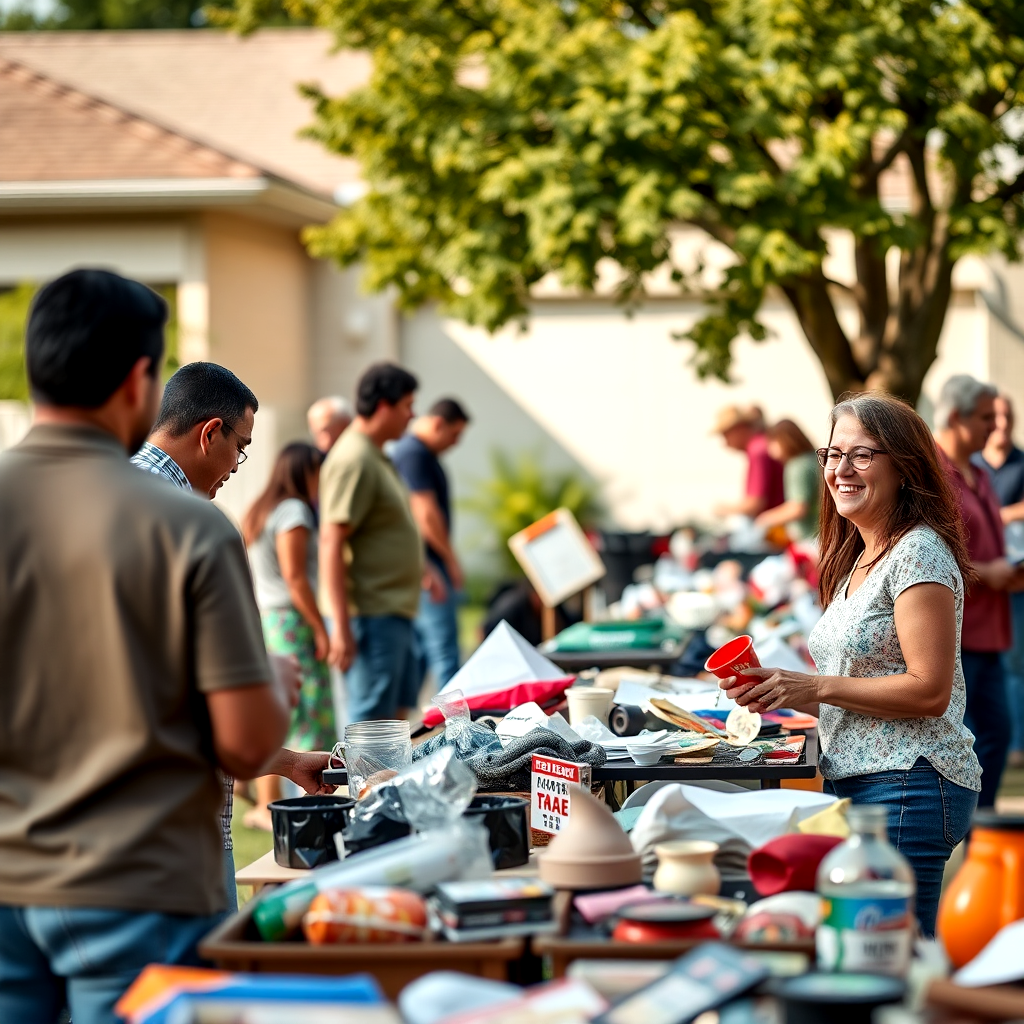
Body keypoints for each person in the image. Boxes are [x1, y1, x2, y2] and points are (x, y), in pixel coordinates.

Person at [0, 269, 292, 1024]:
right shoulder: (186, 524)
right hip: (139, 884)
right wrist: (275, 686)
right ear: (138, 380)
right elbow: (244, 743)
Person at [719, 391, 981, 936]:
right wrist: (780, 688)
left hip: (909, 782)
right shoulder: (860, 555)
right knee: (862, 947)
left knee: (893, 955)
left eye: (862, 455)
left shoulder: (918, 553)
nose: (841, 469)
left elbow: (928, 690)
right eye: (833, 454)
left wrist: (813, 684)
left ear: (905, 468)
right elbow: (856, 680)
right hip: (860, 780)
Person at [132, 365, 334, 905]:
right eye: (239, 448)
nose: (236, 466)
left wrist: (288, 763)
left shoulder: (91, 500)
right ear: (208, 433)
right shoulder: (198, 524)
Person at [935, 375, 1024, 807]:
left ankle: (980, 829)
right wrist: (983, 571)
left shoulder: (977, 470)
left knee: (996, 733)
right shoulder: (932, 472)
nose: (995, 426)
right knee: (972, 738)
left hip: (988, 625)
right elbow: (920, 549)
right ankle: (970, 829)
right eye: (986, 417)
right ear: (955, 417)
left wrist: (1004, 569)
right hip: (952, 631)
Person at [320, 362, 425, 722]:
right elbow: (331, 542)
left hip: (391, 612)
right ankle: (361, 784)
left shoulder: (374, 454)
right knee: (369, 731)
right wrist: (343, 627)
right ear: (383, 405)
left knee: (392, 729)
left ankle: (384, 783)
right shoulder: (355, 458)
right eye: (407, 406)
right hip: (369, 615)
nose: (412, 416)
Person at [242, 443, 334, 830]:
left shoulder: (264, 509)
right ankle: (300, 804)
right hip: (292, 619)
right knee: (307, 706)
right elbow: (295, 576)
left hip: (271, 618)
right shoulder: (294, 511)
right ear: (305, 472)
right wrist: (318, 626)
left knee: (281, 708)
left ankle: (265, 801)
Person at [392, 397, 471, 688]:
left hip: (421, 568)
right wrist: (450, 561)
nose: (456, 442)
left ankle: (429, 726)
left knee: (423, 656)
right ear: (438, 424)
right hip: (429, 570)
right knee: (445, 656)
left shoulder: (415, 453)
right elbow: (425, 514)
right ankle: (453, 730)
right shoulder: (415, 454)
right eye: (454, 434)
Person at [974, 394, 1024, 768]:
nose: (1000, 425)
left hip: (1010, 583)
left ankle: (1017, 749)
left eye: (1006, 416)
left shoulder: (1020, 464)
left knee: (1015, 665)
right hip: (974, 596)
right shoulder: (969, 467)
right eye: (993, 417)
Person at [713, 404, 785, 518]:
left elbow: (756, 502)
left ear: (739, 428)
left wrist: (724, 509)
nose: (725, 442)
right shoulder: (762, 444)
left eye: (726, 434)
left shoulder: (757, 451)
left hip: (774, 526)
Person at [755, 419, 821, 541]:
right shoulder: (813, 458)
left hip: (809, 538)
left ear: (783, 441)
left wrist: (765, 519)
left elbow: (798, 508)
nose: (769, 450)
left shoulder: (797, 466)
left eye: (771, 443)